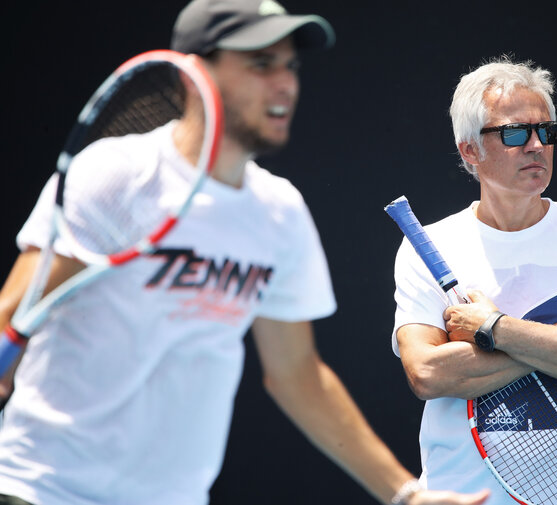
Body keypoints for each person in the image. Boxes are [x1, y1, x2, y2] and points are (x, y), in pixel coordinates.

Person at [0, 1, 492, 504]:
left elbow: (298, 376)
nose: (285, 83)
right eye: (260, 64)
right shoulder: (115, 176)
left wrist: (405, 495)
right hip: (43, 489)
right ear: (193, 74)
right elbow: (13, 312)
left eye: (290, 66)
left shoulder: (278, 213)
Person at [390, 56, 557, 503]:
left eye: (547, 131)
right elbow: (427, 373)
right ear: (469, 150)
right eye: (514, 133)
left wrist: (494, 329)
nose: (536, 145)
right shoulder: (426, 245)